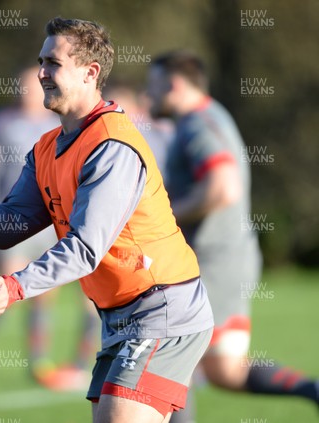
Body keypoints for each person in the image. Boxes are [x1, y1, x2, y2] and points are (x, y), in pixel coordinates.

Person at [0, 18, 214, 423]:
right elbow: (8, 223)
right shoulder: (47, 147)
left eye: (53, 63)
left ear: (90, 72)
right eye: (41, 61)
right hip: (121, 316)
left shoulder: (112, 146)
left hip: (162, 308)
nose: (42, 72)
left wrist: (14, 287)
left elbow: (84, 249)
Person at [146, 50, 319, 423]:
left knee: (172, 359)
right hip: (227, 260)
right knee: (226, 371)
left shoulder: (198, 125)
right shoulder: (207, 119)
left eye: (154, 87)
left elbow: (223, 187)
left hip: (211, 263)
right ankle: (314, 391)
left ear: (174, 85)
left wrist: (165, 217)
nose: (149, 96)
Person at [0, 65, 99, 390]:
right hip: (11, 219)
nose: (33, 90)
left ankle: (48, 362)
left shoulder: (60, 128)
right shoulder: (2, 124)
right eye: (26, 85)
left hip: (50, 223)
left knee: (47, 294)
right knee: (6, 290)